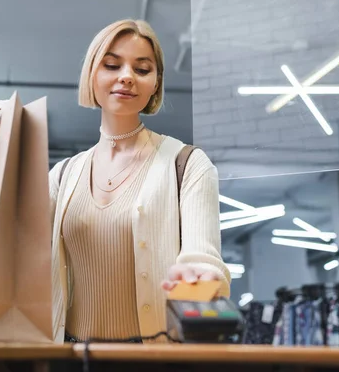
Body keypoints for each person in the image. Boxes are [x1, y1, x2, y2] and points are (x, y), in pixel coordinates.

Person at [48, 19, 231, 344]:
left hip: (154, 356)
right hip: (71, 354)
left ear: (155, 85)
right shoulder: (62, 175)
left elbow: (202, 258)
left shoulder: (186, 164)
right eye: (112, 65)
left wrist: (199, 282)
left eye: (142, 69)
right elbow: (26, 261)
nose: (127, 76)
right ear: (92, 74)